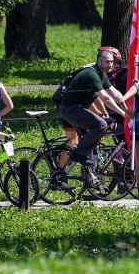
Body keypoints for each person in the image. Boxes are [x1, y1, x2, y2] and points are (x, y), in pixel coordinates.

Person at [55, 47, 128, 191]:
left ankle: (83, 167)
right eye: (108, 61)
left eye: (112, 62)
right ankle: (79, 154)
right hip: (70, 108)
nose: (111, 65)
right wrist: (123, 115)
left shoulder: (102, 74)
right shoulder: (91, 74)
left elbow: (116, 95)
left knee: (100, 126)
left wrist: (129, 112)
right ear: (99, 60)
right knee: (100, 125)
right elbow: (105, 98)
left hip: (80, 108)